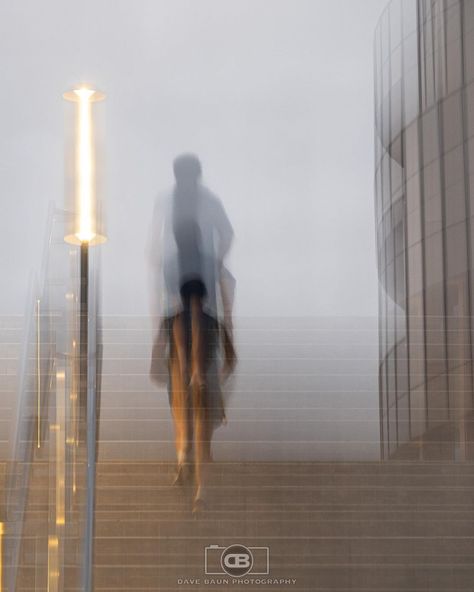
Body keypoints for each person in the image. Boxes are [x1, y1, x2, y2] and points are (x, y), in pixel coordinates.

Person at [147, 153, 236, 512]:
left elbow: (155, 249)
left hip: (188, 311)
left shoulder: (174, 203)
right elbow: (226, 236)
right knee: (196, 386)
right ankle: (191, 457)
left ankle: (187, 454)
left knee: (184, 388)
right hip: (196, 310)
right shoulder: (197, 203)